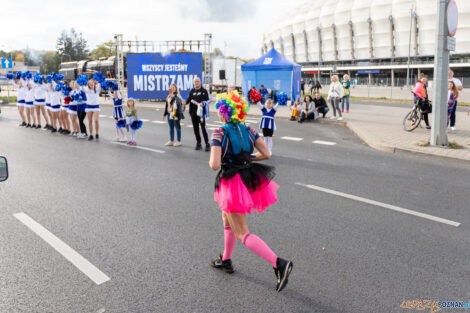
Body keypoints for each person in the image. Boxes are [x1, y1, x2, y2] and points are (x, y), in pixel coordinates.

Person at [209, 91, 293, 292]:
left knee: (242, 232)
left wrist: (227, 159)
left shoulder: (219, 133)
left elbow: (214, 164)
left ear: (223, 112)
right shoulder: (249, 130)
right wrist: (247, 159)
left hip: (231, 181)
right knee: (226, 218)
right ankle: (226, 260)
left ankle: (279, 263)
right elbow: (266, 154)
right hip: (247, 178)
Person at [184, 77, 210, 151]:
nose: (197, 82)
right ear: (193, 83)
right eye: (195, 81)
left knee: (203, 128)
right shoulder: (192, 91)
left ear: (200, 82)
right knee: (195, 128)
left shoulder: (204, 91)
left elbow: (209, 100)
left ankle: (207, 144)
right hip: (193, 113)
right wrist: (184, 102)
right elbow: (188, 100)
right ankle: (198, 143)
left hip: (201, 113)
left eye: (198, 81)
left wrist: (203, 103)